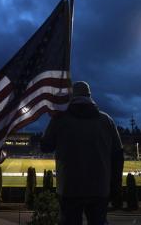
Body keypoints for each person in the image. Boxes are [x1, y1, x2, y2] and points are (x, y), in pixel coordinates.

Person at [40, 81, 124, 225]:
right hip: (100, 189)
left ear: (72, 96)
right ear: (89, 96)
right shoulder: (106, 120)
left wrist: (53, 117)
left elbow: (45, 146)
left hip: (69, 188)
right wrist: (115, 187)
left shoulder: (60, 119)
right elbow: (118, 156)